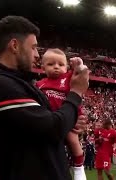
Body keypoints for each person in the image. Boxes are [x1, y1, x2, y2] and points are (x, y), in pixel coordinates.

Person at [0, 15, 90, 180]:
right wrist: (76, 93)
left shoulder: (23, 83)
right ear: (15, 45)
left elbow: (46, 129)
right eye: (33, 47)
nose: (37, 55)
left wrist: (71, 119)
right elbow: (53, 128)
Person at [35, 48, 88, 180]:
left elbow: (81, 72)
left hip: (70, 118)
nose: (56, 67)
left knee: (72, 140)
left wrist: (78, 63)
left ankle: (79, 168)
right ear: (42, 67)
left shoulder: (68, 78)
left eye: (60, 64)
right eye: (51, 64)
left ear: (66, 67)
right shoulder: (39, 84)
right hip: (52, 120)